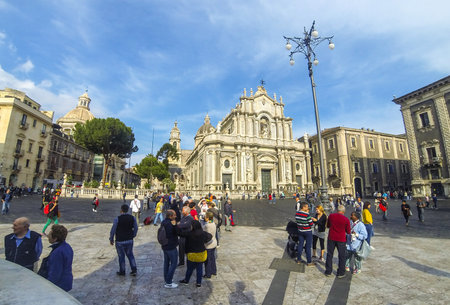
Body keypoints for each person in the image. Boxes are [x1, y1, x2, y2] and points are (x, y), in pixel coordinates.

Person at [40, 224, 74, 291]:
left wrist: (47, 287)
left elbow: (54, 274)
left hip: (59, 286)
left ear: (55, 238)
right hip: (66, 282)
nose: (47, 237)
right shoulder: (67, 246)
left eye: (49, 235)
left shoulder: (57, 252)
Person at [179, 220, 212, 288]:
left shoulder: (189, 234)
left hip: (192, 254)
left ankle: (186, 280)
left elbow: (180, 233)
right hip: (201, 254)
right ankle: (198, 283)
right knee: (199, 269)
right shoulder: (203, 233)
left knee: (189, 269)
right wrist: (204, 241)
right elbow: (210, 236)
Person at [110, 204, 138, 276]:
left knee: (121, 256)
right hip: (129, 239)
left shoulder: (117, 219)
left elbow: (113, 229)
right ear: (128, 210)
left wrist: (111, 238)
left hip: (120, 240)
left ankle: (122, 271)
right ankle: (134, 269)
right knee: (130, 255)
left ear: (121, 210)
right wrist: (133, 235)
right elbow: (136, 227)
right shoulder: (132, 218)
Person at [325, 205, 351, 278]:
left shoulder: (331, 216)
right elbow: (348, 231)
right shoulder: (346, 219)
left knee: (330, 254)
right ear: (344, 211)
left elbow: (328, 225)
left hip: (331, 237)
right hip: (341, 239)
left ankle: (328, 271)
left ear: (337, 210)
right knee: (342, 256)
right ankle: (340, 272)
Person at [161, 210, 179, 288]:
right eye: (174, 215)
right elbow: (176, 232)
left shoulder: (164, 222)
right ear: (170, 216)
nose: (175, 216)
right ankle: (168, 282)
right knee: (174, 263)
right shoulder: (170, 224)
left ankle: (166, 279)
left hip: (165, 245)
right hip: (171, 246)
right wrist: (175, 226)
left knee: (166, 263)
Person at [295, 202, 315, 266]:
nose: (307, 208)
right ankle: (309, 261)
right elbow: (311, 225)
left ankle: (299, 259)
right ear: (303, 207)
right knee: (308, 247)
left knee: (300, 245)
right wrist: (312, 220)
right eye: (306, 207)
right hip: (307, 232)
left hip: (300, 231)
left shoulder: (297, 214)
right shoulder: (307, 215)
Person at [202, 212, 217, 278]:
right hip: (214, 243)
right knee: (212, 258)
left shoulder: (206, 226)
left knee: (207, 260)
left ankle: (208, 274)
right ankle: (214, 271)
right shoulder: (213, 223)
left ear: (207, 217)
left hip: (208, 245)